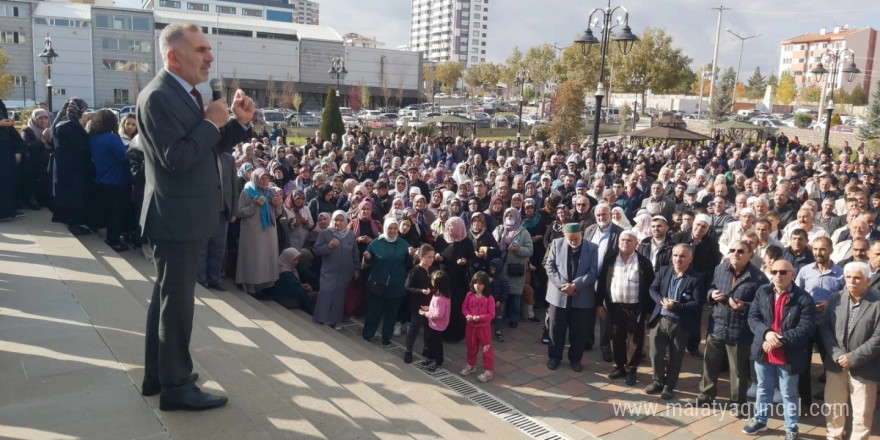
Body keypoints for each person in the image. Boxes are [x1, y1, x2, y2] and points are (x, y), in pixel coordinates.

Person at [137, 23, 255, 410]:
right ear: (173, 56)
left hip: (183, 216)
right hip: (176, 218)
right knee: (177, 305)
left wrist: (235, 123)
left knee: (167, 299)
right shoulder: (157, 97)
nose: (210, 57)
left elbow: (207, 146)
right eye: (201, 49)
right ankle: (177, 387)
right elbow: (180, 158)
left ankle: (158, 376)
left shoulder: (185, 94)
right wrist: (209, 122)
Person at [743, 260, 815, 438]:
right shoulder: (763, 292)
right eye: (774, 271)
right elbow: (753, 317)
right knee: (763, 388)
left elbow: (805, 328)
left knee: (789, 393)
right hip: (764, 350)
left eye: (783, 272)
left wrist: (779, 339)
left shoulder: (804, 298)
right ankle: (760, 420)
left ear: (793, 274)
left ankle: (791, 428)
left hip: (788, 354)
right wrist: (767, 334)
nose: (778, 275)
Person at [697, 240, 768, 416]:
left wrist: (745, 306)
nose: (735, 254)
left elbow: (765, 306)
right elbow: (709, 288)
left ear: (750, 255)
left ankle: (737, 402)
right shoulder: (720, 269)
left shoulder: (758, 278)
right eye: (732, 250)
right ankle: (706, 395)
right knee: (710, 363)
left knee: (738, 370)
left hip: (739, 330)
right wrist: (711, 295)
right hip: (717, 325)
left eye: (741, 251)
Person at [819, 261, 880, 440]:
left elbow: (878, 338)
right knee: (834, 407)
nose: (852, 281)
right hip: (836, 365)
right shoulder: (835, 298)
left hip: (865, 367)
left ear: (867, 281)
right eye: (848, 277)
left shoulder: (877, 303)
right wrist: (838, 355)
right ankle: (834, 436)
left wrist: (853, 358)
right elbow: (825, 328)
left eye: (857, 278)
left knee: (862, 413)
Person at [645, 244, 704, 400]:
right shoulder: (664, 271)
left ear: (690, 259)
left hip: (680, 323)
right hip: (660, 319)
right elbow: (653, 289)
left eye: (683, 256)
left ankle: (669, 386)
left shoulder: (696, 278)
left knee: (676, 356)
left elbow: (697, 304)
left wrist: (676, 306)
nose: (678, 259)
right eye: (676, 255)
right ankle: (658, 381)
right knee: (656, 353)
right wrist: (662, 301)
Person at [597, 230, 655, 386]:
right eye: (623, 239)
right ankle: (620, 367)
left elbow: (651, 288)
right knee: (616, 338)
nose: (625, 242)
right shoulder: (610, 260)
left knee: (635, 340)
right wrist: (599, 304)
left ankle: (631, 369)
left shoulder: (643, 262)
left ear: (636, 243)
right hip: (615, 307)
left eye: (629, 240)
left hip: (636, 308)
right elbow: (602, 283)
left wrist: (649, 311)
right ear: (618, 242)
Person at [793, 236, 843, 407]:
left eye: (822, 249)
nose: (818, 253)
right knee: (803, 363)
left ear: (830, 250)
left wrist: (830, 304)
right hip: (807, 324)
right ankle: (804, 400)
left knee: (830, 362)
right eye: (815, 249)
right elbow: (796, 294)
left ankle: (832, 397)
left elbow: (847, 298)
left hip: (829, 325)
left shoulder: (841, 273)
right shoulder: (805, 270)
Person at [544, 223, 599, 372]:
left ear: (581, 233)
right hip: (559, 295)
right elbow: (550, 267)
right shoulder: (556, 243)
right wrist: (564, 286)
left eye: (576, 238)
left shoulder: (592, 248)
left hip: (581, 296)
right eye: (570, 239)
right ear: (565, 236)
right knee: (556, 329)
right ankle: (554, 357)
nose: (573, 241)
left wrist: (574, 285)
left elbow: (593, 272)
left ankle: (575, 359)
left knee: (579, 331)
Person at [362, 217, 412, 347]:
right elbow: (368, 264)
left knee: (391, 314)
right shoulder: (375, 243)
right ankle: (368, 335)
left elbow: (409, 264)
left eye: (395, 228)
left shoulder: (403, 244)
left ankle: (386, 339)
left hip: (396, 285)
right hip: (378, 284)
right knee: (374, 312)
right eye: (390, 228)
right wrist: (367, 258)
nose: (392, 231)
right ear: (385, 228)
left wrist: (412, 256)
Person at [87, 109, 132, 251]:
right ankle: (114, 241)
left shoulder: (94, 138)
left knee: (107, 211)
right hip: (117, 180)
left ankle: (108, 236)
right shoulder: (112, 138)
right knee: (117, 213)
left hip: (101, 178)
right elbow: (124, 157)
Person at [235, 168, 282, 294]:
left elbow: (278, 214)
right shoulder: (247, 191)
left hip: (269, 231)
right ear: (255, 178)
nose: (265, 181)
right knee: (253, 258)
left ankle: (264, 286)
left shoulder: (271, 192)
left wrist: (278, 204)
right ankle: (250, 285)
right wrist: (254, 206)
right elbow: (238, 212)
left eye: (267, 178)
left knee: (266, 258)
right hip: (252, 232)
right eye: (261, 178)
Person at [51, 98, 94, 235]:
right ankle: (73, 224)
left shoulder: (58, 125)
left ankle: (65, 219)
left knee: (63, 193)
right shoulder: (74, 127)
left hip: (61, 165)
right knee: (74, 195)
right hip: (74, 167)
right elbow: (84, 146)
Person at [313, 210, 360, 328]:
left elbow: (355, 253)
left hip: (346, 272)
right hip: (329, 270)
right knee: (326, 292)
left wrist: (356, 269)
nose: (338, 223)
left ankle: (335, 321)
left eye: (341, 220)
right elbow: (317, 250)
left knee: (339, 297)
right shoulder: (325, 233)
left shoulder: (350, 235)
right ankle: (322, 318)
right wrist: (328, 247)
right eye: (336, 220)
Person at [434, 217, 475, 342]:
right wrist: (437, 257)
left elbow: (472, 259)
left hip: (459, 280)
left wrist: (465, 261)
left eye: (452, 226)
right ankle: (441, 331)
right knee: (443, 305)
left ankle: (456, 334)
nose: (449, 229)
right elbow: (435, 252)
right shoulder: (441, 238)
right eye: (448, 226)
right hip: (443, 279)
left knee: (456, 306)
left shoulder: (466, 242)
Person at [492, 207, 534, 328]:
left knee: (515, 295)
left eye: (512, 216)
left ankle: (514, 318)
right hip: (500, 266)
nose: (509, 218)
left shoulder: (523, 232)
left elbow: (530, 250)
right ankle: (500, 316)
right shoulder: (499, 229)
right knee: (500, 294)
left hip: (515, 268)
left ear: (516, 217)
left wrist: (518, 249)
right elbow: (492, 243)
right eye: (507, 216)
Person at [460, 271, 496, 383]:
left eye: (480, 283)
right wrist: (468, 315)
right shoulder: (469, 295)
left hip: (484, 329)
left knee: (486, 349)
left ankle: (489, 370)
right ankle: (471, 364)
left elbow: (492, 314)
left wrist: (480, 317)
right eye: (475, 283)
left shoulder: (489, 298)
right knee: (471, 347)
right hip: (471, 327)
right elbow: (464, 308)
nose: (477, 286)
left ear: (485, 285)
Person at [403, 244, 436, 363]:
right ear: (422, 257)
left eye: (432, 257)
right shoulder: (415, 271)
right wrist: (421, 291)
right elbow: (408, 287)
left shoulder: (433, 270)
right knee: (414, 328)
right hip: (418, 305)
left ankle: (426, 348)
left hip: (430, 305)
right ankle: (408, 351)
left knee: (428, 329)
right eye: (428, 257)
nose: (431, 260)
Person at [254, 247, 313, 311]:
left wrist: (301, 286)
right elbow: (297, 291)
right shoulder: (285, 273)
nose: (297, 262)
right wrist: (306, 290)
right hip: (279, 299)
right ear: (288, 259)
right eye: (295, 259)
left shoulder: (283, 267)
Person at [419, 270, 452, 373]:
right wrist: (429, 308)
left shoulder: (439, 298)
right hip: (435, 325)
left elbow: (438, 314)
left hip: (437, 326)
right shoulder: (442, 295)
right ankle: (431, 358)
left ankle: (438, 364)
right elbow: (438, 309)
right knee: (431, 343)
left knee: (436, 345)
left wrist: (425, 313)